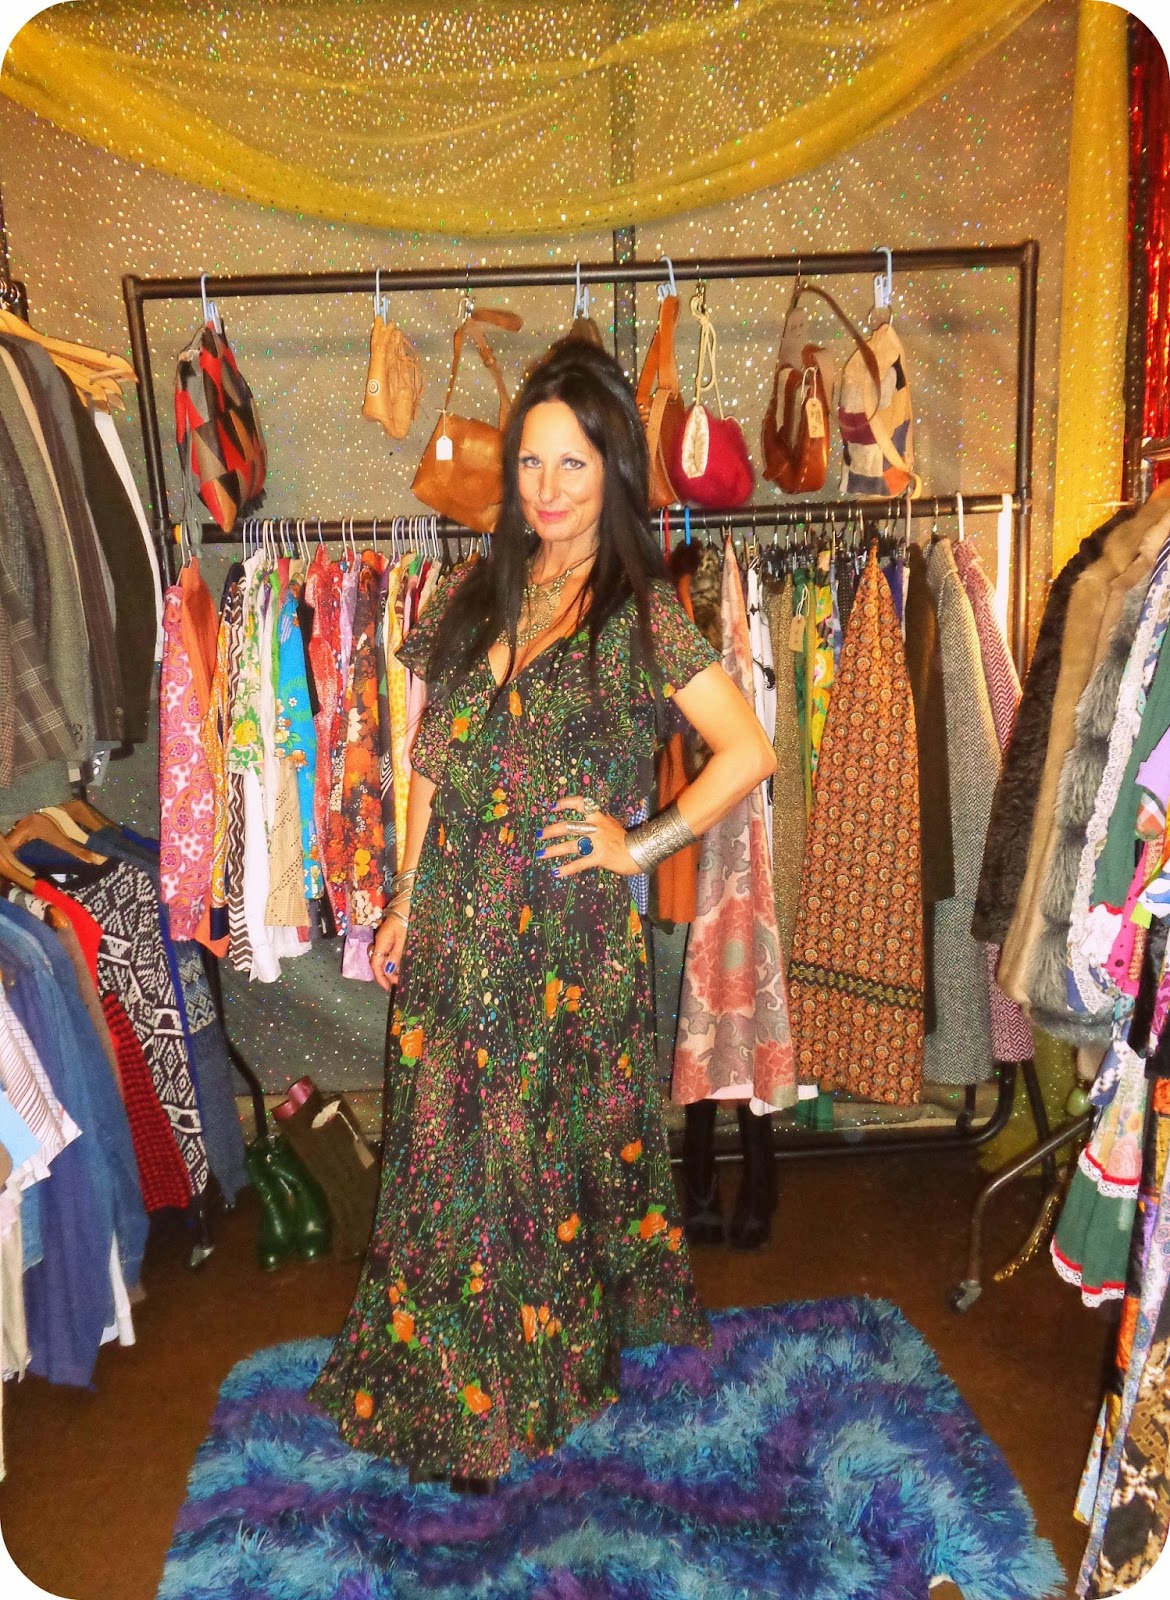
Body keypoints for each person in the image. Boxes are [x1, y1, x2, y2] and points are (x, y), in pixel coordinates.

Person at [307, 339, 776, 1485]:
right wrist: (408, 896)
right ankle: (445, 1379)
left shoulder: (644, 613)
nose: (547, 487)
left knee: (528, 1170)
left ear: (613, 472)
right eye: (531, 461)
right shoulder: (474, 595)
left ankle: (523, 1389)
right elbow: (429, 762)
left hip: (563, 943)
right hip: (456, 927)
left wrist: (638, 843)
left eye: (573, 464)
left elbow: (747, 751)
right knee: (444, 1163)